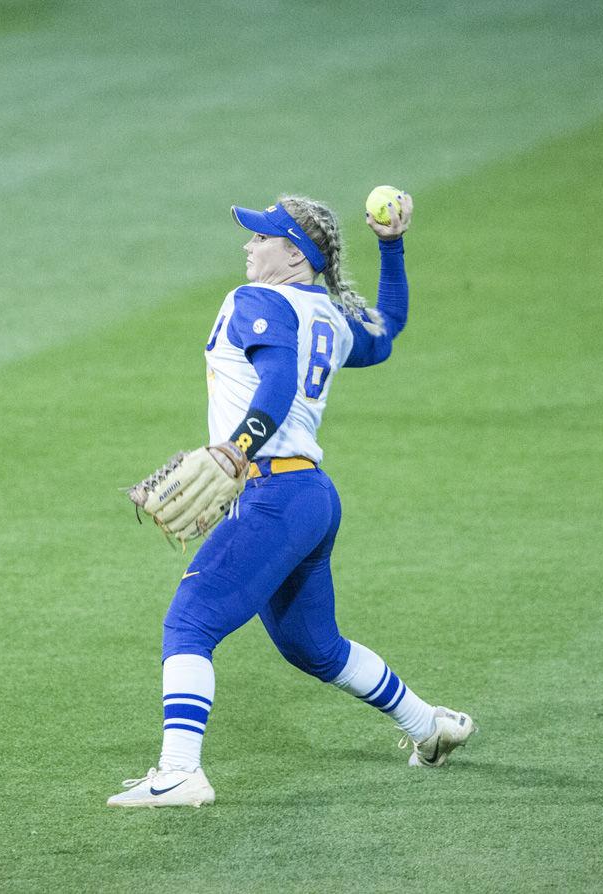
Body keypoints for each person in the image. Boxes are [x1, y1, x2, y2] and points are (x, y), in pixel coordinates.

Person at [107, 191, 475, 808]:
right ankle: (427, 726)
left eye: (261, 238)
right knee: (314, 646)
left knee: (190, 620)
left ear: (294, 254)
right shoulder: (326, 314)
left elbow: (277, 379)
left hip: (273, 491)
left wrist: (237, 448)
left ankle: (179, 773)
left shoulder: (257, 299)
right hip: (310, 498)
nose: (248, 246)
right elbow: (386, 333)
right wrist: (393, 247)